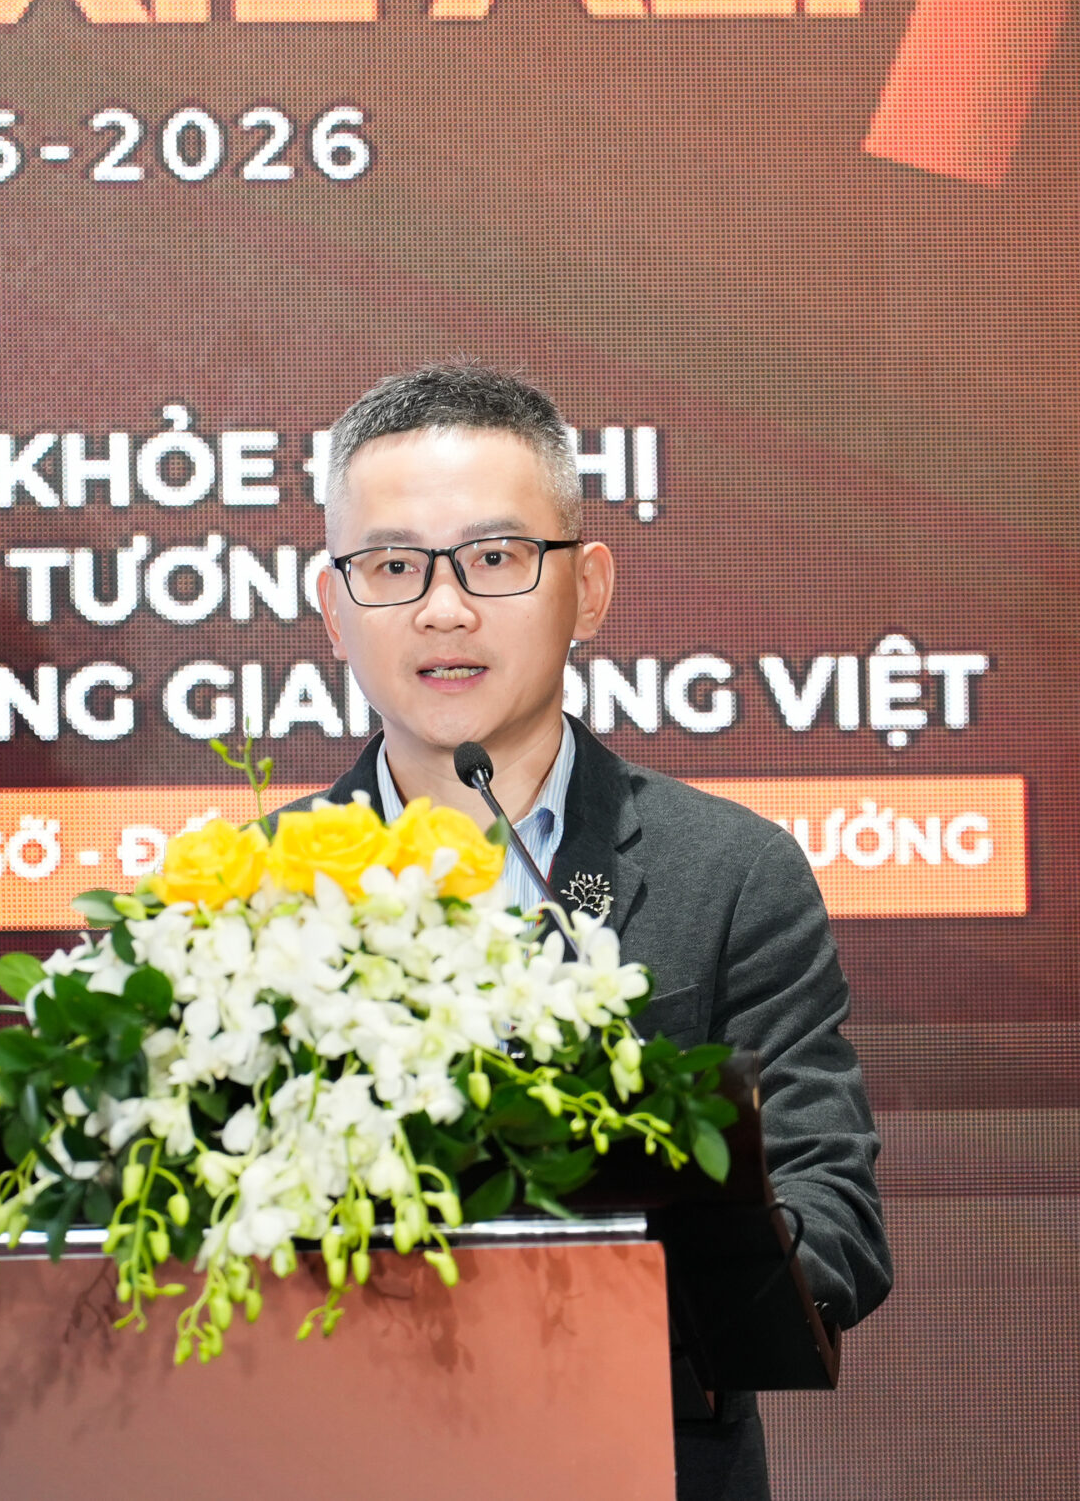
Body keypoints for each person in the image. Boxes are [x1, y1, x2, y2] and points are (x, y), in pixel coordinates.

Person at [293, 360, 891, 1501]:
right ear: (334, 609)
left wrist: (658, 1277)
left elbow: (832, 1213)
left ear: (590, 588)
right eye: (393, 566)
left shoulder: (730, 875)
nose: (444, 608)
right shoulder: (247, 899)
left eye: (494, 558)